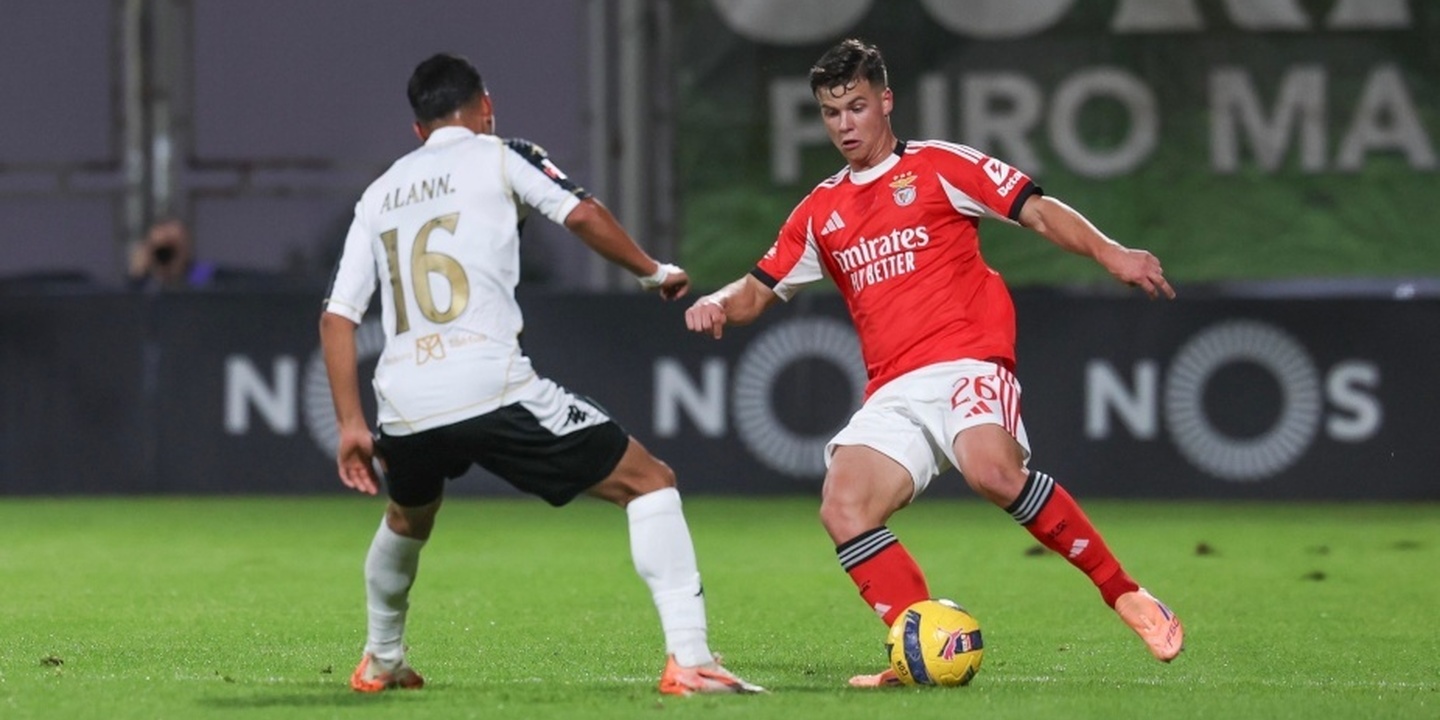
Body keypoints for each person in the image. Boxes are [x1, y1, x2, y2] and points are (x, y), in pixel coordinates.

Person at [683, 38, 1184, 687]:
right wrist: (718, 302)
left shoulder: (941, 165)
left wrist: (1110, 252)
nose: (844, 125)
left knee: (993, 472)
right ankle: (913, 643)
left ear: (885, 101)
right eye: (831, 113)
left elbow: (1035, 210)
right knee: (844, 507)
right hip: (894, 388)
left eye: (856, 107)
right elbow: (758, 286)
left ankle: (1127, 595)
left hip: (968, 361)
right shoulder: (821, 210)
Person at [320, 52, 763, 696]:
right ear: (486, 106)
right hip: (489, 386)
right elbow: (580, 213)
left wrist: (350, 425)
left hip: (404, 402)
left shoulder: (379, 192)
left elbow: (337, 317)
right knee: (650, 483)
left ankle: (381, 659)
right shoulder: (503, 153)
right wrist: (654, 271)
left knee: (408, 517)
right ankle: (691, 659)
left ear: (418, 129)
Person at [127, 218, 218, 291]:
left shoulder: (200, 273)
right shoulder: (144, 283)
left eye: (172, 247)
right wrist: (137, 276)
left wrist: (176, 271)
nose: (166, 254)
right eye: (161, 249)